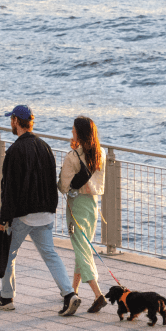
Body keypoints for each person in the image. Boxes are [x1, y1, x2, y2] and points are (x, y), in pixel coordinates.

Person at [0, 104, 81, 316]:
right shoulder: (45, 147)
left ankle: (6, 297)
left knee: (9, 254)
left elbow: (9, 189)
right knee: (50, 253)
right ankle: (69, 294)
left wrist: (3, 220)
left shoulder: (14, 151)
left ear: (15, 122)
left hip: (24, 215)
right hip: (46, 212)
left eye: (11, 119)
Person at [58, 116, 107, 313]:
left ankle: (98, 294)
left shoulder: (72, 157)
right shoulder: (100, 153)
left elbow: (63, 186)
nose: (71, 131)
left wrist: (73, 150)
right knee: (84, 246)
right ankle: (74, 289)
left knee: (81, 249)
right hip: (93, 205)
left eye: (74, 129)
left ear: (79, 132)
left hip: (76, 205)